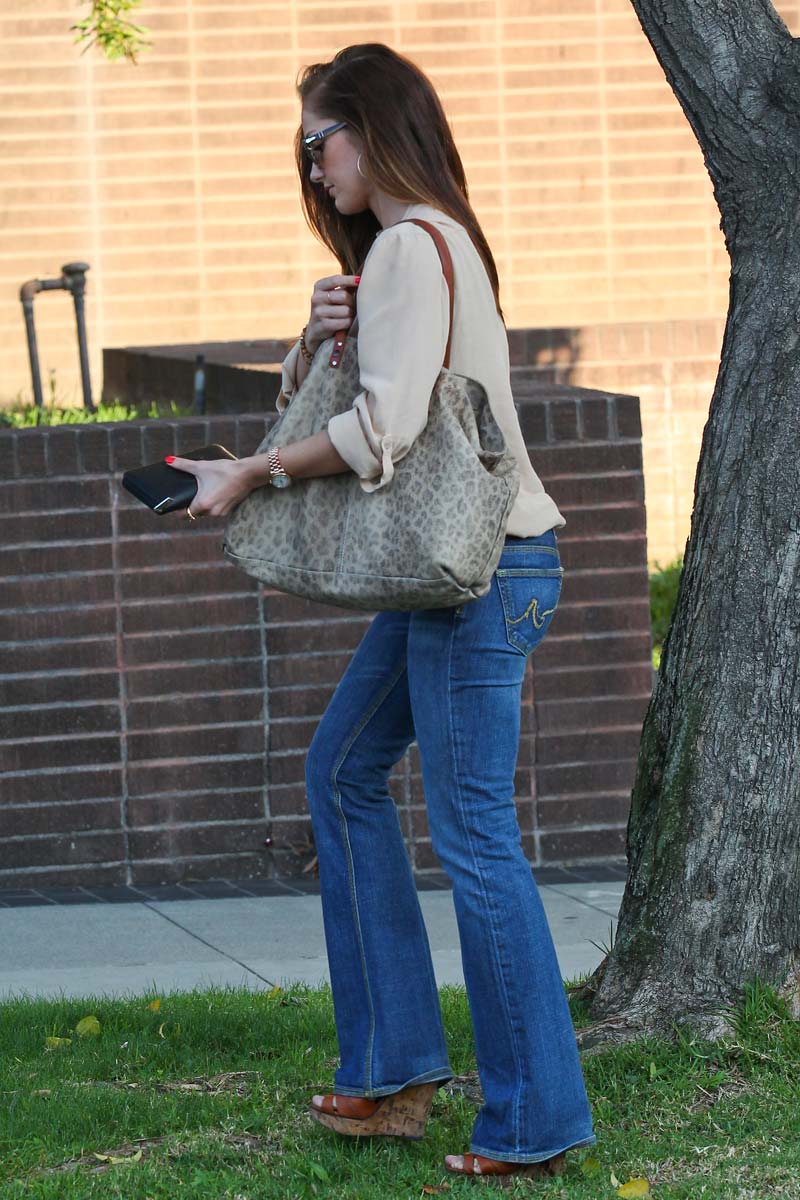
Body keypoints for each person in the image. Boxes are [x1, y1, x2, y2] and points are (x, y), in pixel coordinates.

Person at [169, 42, 596, 1184]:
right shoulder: (429, 243)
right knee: (342, 769)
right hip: (465, 576)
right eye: (303, 149)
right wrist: (314, 340)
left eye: (321, 141)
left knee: (474, 837)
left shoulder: (414, 244)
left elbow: (380, 432)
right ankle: (397, 1065)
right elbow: (370, 400)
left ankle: (533, 1119)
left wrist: (249, 472)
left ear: (375, 126)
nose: (312, 167)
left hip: (481, 579)